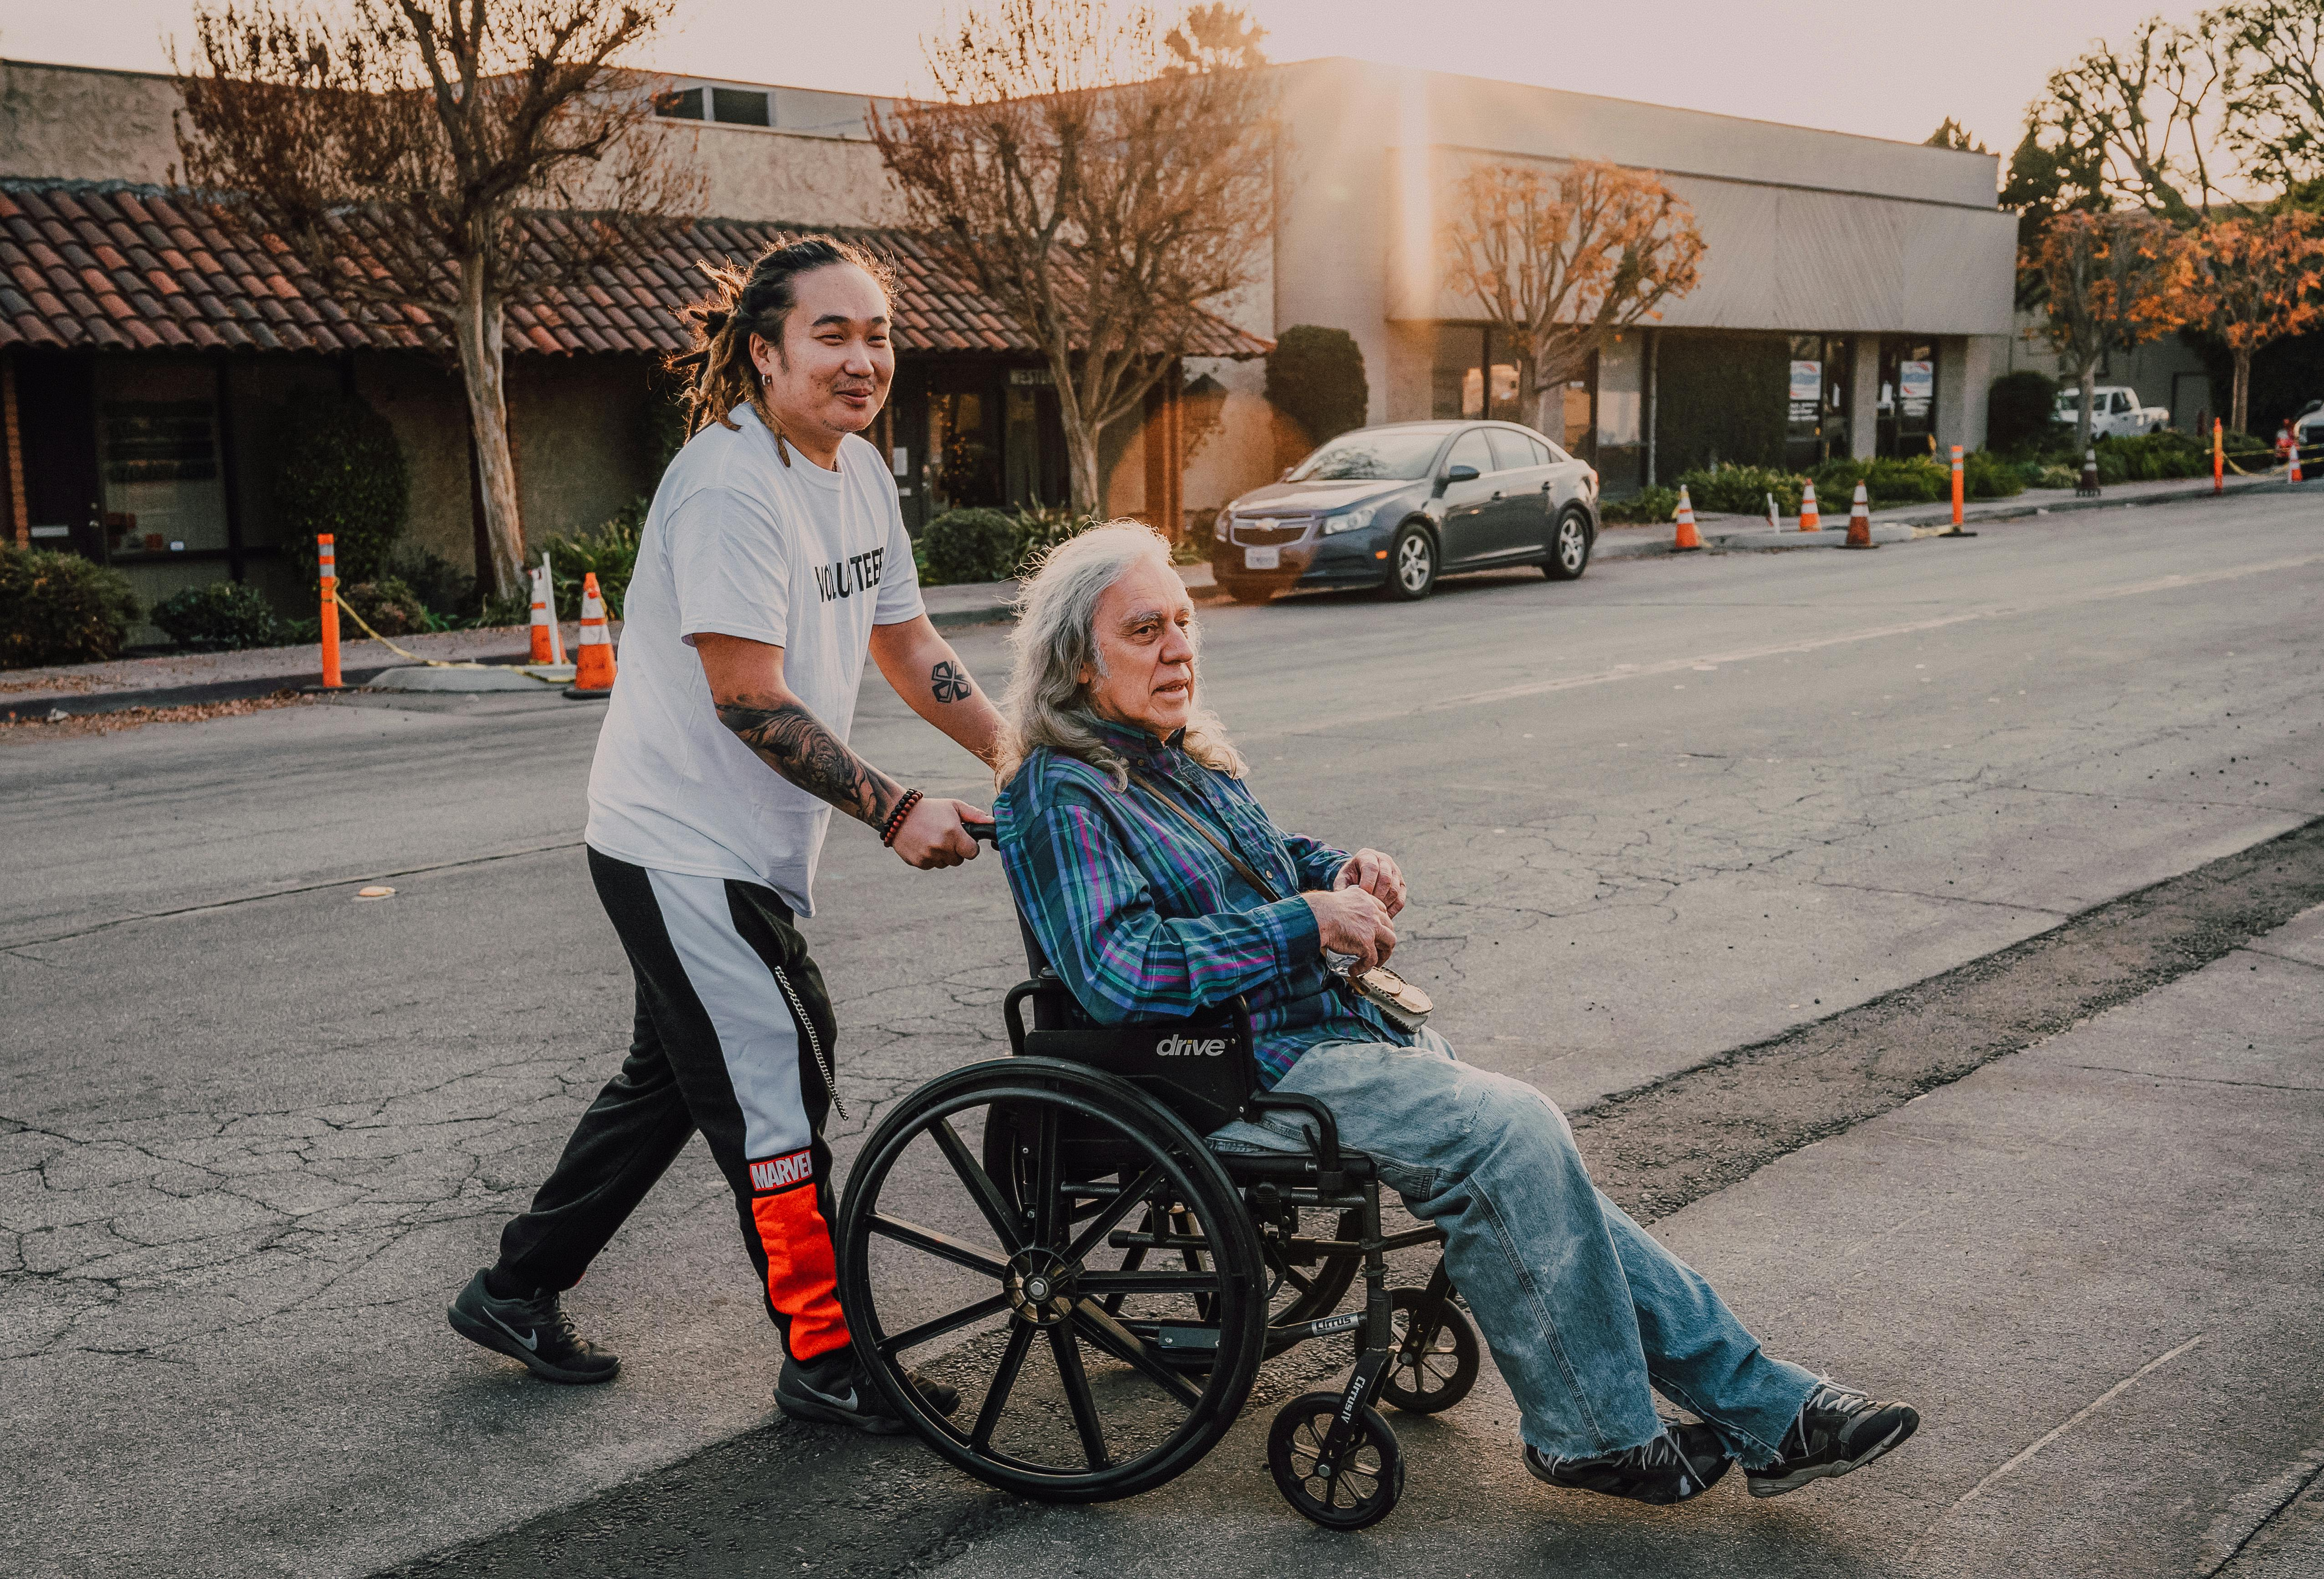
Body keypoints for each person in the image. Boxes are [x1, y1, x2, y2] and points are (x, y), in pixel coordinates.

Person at [989, 522, 1919, 1506]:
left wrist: (1343, 873)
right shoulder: (1062, 793)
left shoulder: (1182, 757)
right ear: (1076, 664)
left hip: (1327, 1037)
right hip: (1227, 1070)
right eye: (1145, 630)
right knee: (1517, 1132)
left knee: (1540, 1175)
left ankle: (1774, 1416)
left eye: (1183, 621)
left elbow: (1272, 862)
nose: (1179, 646)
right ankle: (1593, 1433)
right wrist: (1303, 922)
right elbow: (1117, 971)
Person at [448, 236, 1006, 1436]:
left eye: (879, 336)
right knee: (774, 1078)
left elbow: (904, 643)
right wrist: (896, 808)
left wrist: (1018, 760)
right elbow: (747, 695)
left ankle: (513, 1288)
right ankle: (826, 1357)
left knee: (668, 1081)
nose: (862, 361)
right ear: (764, 353)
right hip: (675, 846)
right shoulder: (727, 484)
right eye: (831, 335)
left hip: (739, 847)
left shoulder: (855, 472)